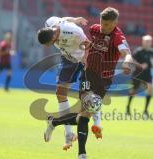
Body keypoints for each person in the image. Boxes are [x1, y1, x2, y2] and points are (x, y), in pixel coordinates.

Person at [43, 7, 142, 159]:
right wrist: (75, 23)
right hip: (88, 75)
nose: (104, 27)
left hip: (105, 79)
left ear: (115, 23)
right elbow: (66, 25)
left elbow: (126, 53)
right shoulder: (94, 29)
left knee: (83, 116)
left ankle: (54, 122)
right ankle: (82, 154)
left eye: (108, 25)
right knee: (86, 113)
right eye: (102, 23)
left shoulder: (117, 36)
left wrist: (128, 63)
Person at [37, 16, 102, 150]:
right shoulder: (49, 22)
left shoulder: (73, 32)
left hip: (85, 57)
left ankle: (98, 123)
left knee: (88, 95)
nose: (49, 46)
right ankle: (68, 134)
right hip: (68, 59)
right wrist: (75, 18)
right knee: (60, 93)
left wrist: (85, 59)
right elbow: (62, 19)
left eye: (49, 43)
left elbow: (88, 44)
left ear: (54, 35)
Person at [126, 35, 153, 118]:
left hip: (147, 74)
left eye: (149, 41)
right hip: (138, 74)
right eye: (146, 41)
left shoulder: (152, 52)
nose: (148, 43)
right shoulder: (138, 51)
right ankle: (128, 107)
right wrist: (140, 65)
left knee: (150, 90)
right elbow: (132, 61)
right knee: (134, 91)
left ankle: (145, 110)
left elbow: (152, 62)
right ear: (143, 42)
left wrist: (152, 64)